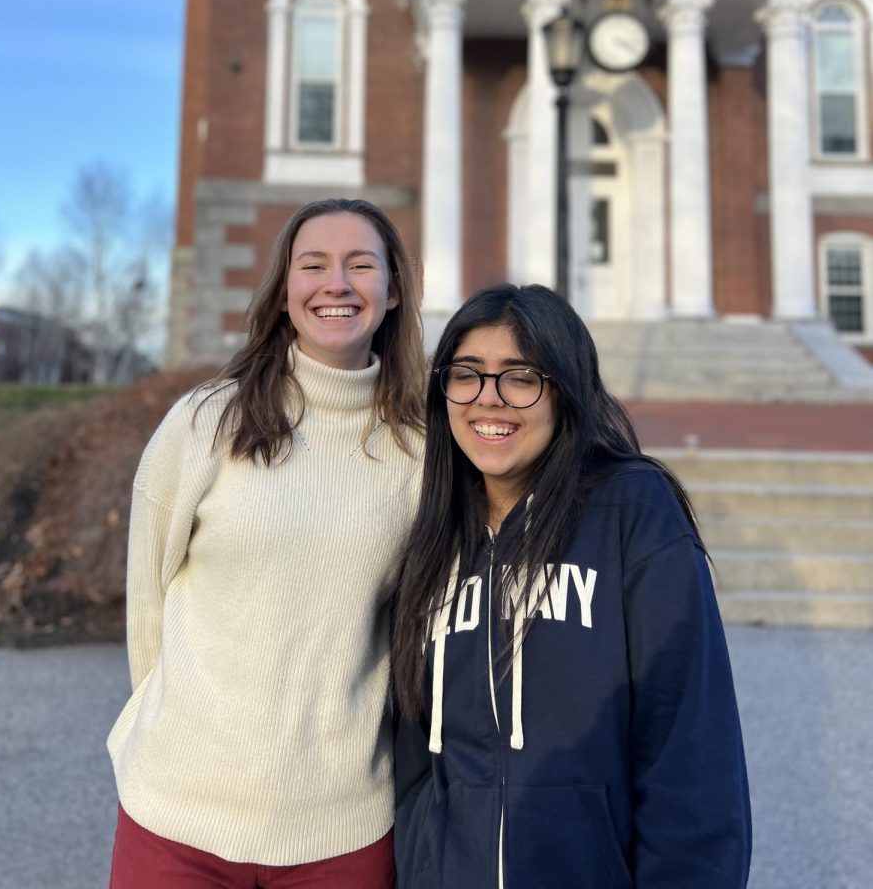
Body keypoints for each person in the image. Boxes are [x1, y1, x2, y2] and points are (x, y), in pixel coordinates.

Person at [107, 198, 425, 889]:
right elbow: (147, 599)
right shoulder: (205, 423)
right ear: (285, 291)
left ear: (393, 290)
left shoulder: (421, 450)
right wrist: (159, 729)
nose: (335, 283)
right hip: (175, 820)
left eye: (360, 265)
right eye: (313, 265)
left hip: (342, 831)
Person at [391, 283, 751, 889]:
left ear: (565, 389)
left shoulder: (630, 510)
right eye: (467, 374)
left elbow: (691, 751)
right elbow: (413, 754)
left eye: (520, 377)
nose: (490, 400)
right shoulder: (434, 535)